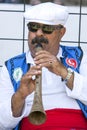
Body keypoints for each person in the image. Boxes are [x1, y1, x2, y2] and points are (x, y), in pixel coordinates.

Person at [0, 2, 87, 130]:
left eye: (47, 28)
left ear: (61, 32)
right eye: (33, 27)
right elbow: (3, 124)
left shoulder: (79, 56)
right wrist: (20, 95)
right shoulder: (11, 67)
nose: (39, 34)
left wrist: (64, 72)